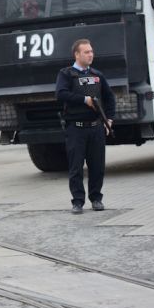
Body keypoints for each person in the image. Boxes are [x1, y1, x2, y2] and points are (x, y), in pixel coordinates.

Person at [56, 39, 115, 215]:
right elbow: (61, 94)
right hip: (76, 128)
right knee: (76, 167)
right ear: (77, 54)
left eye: (91, 51)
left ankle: (96, 199)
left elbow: (110, 98)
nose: (91, 54)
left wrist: (109, 119)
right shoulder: (66, 74)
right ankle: (78, 202)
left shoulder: (98, 75)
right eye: (86, 52)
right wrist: (84, 100)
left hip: (96, 127)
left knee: (97, 166)